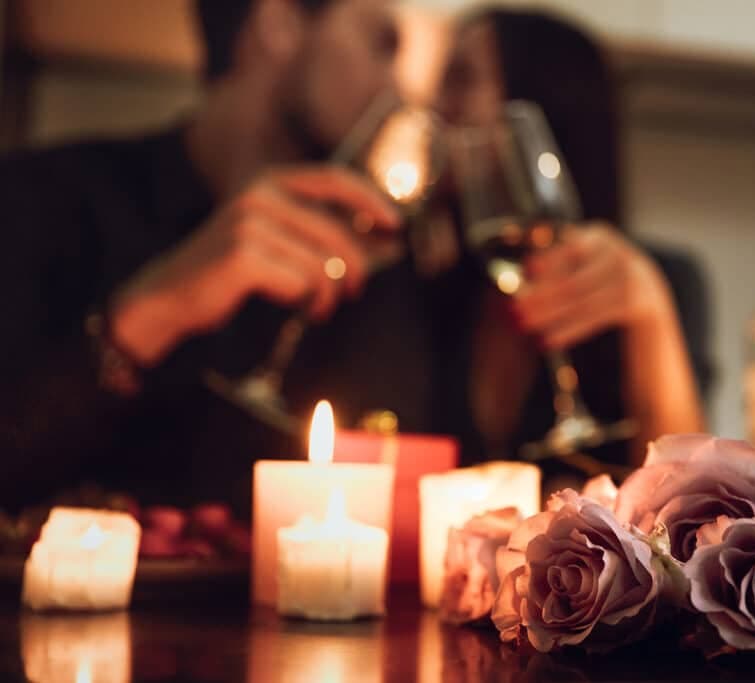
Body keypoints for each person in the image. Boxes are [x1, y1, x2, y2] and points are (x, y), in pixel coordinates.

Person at [0, 0, 436, 513]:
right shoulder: (41, 198)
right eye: (381, 45)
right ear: (279, 23)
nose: (399, 89)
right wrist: (152, 313)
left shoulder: (376, 260)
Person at [431, 8, 713, 475]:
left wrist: (651, 319)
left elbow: (694, 502)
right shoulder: (437, 294)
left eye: (461, 79)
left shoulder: (665, 281)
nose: (439, 106)